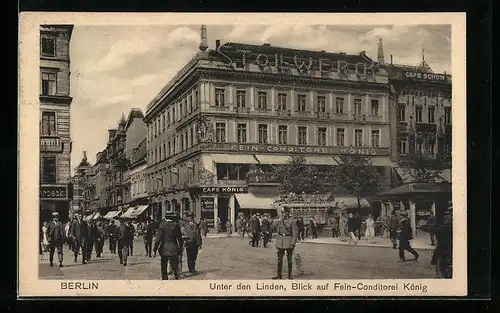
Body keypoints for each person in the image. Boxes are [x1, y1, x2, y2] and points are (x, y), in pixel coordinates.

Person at [153, 214, 183, 280]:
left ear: (166, 218)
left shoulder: (162, 226)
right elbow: (180, 239)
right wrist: (180, 248)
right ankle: (177, 278)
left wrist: (154, 249)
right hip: (174, 248)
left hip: (164, 249)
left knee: (164, 266)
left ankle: (165, 279)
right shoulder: (176, 226)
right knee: (175, 266)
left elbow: (158, 239)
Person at [272, 207, 298, 280]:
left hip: (289, 242)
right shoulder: (280, 221)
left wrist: (292, 243)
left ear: (288, 212)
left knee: (289, 259)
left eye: (284, 212)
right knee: (279, 259)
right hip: (281, 242)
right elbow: (278, 232)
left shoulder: (292, 221)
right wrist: (277, 243)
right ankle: (279, 275)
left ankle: (289, 276)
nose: (283, 214)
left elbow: (294, 234)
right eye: (282, 212)